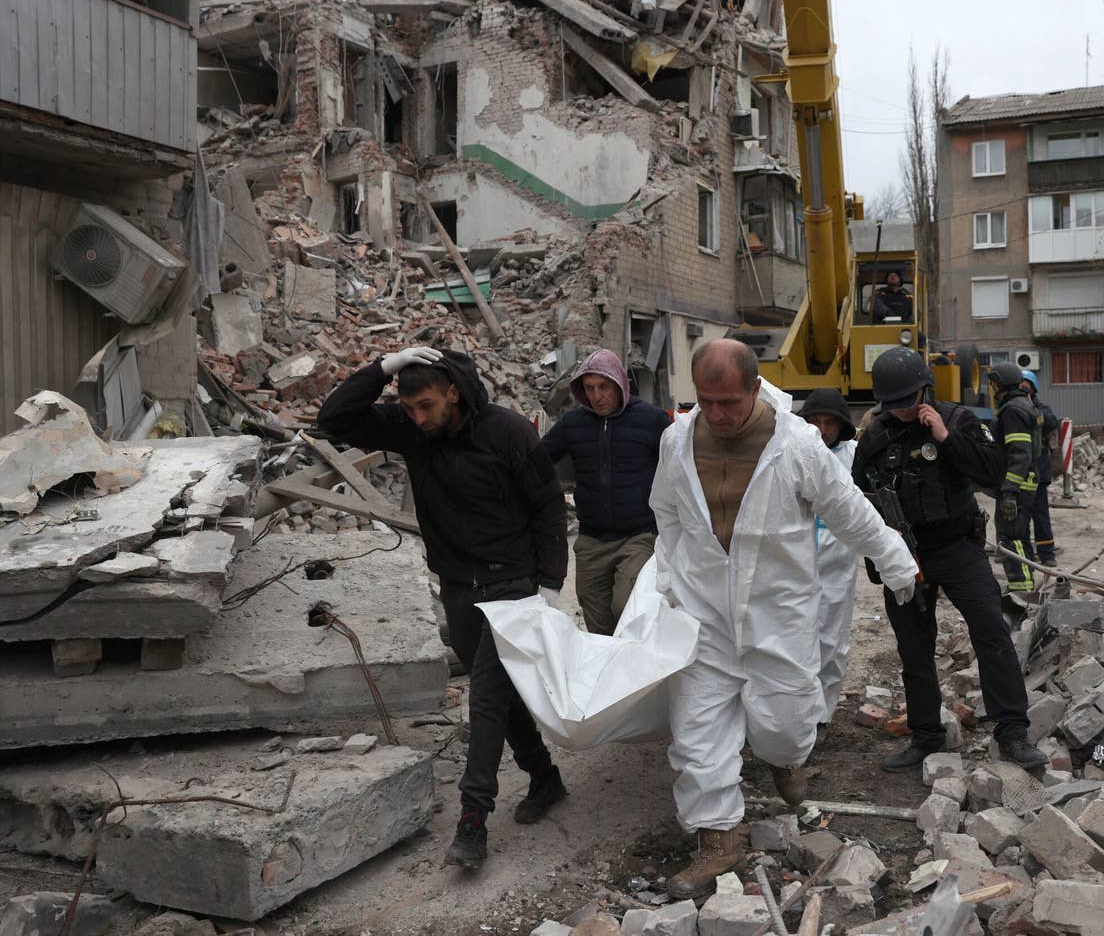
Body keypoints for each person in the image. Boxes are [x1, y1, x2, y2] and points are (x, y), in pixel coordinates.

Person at [651, 340, 917, 898]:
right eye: (706, 402)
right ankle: (718, 842)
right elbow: (667, 511)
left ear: (754, 389)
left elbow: (850, 512)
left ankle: (785, 760)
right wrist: (670, 577)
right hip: (705, 613)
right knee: (697, 730)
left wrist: (896, 562)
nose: (717, 415)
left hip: (780, 612)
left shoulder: (796, 446)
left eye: (728, 402)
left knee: (785, 724)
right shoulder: (677, 441)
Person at [317, 346, 569, 870]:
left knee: (485, 701)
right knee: (504, 697)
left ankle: (472, 823)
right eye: (409, 408)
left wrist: (549, 584)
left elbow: (547, 506)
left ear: (452, 392)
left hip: (512, 587)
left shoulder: (509, 432)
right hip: (458, 585)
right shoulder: (412, 431)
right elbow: (333, 420)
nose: (419, 417)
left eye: (427, 405)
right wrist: (383, 366)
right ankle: (544, 778)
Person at [854, 348, 1044, 773]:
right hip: (905, 556)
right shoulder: (876, 435)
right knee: (914, 649)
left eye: (909, 401)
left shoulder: (957, 420)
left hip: (958, 549)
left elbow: (994, 472)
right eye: (894, 404)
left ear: (926, 388)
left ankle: (1012, 732)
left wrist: (945, 437)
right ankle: (926, 736)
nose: (902, 411)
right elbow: (856, 501)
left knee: (991, 632)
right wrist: (877, 557)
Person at [543, 349, 671, 635]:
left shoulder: (652, 421)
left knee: (627, 606)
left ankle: (638, 671)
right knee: (596, 619)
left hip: (639, 536)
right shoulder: (573, 424)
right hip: (592, 539)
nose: (596, 395)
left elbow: (678, 472)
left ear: (619, 385)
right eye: (589, 388)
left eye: (603, 387)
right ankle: (608, 674)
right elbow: (536, 460)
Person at [797, 388, 860, 737]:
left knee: (831, 638)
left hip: (837, 561)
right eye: (815, 422)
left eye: (829, 423)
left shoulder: (852, 456)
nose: (822, 429)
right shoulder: (793, 454)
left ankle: (821, 713)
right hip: (795, 557)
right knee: (791, 635)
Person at [990, 361, 1042, 595]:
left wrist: (1009, 491)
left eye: (993, 383)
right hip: (1026, 483)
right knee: (1020, 536)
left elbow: (1020, 453)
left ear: (999, 384)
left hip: (1017, 487)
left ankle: (1021, 594)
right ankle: (1026, 585)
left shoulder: (1012, 410)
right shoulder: (1024, 404)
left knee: (1011, 537)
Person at [1021, 370, 1059, 566]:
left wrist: (1034, 407)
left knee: (1041, 513)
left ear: (1033, 389)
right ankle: (1025, 554)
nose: (1022, 388)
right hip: (1020, 471)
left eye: (1026, 385)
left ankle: (1046, 553)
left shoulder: (1041, 408)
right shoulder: (1013, 409)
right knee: (1021, 515)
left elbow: (1052, 422)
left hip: (1039, 471)